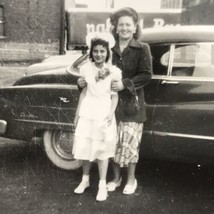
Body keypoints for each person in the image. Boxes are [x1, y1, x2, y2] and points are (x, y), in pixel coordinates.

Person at [106, 7, 152, 194]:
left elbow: (146, 75)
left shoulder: (142, 48)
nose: (124, 28)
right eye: (121, 24)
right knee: (113, 142)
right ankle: (116, 178)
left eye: (128, 25)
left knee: (130, 144)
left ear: (135, 28)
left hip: (133, 105)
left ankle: (131, 180)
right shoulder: (110, 50)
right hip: (111, 105)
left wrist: (125, 84)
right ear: (115, 28)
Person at [73, 32, 122, 201]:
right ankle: (85, 180)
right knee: (85, 146)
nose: (99, 54)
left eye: (102, 51)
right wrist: (78, 114)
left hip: (103, 111)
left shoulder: (114, 72)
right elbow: (84, 93)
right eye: (95, 51)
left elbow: (115, 96)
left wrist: (110, 114)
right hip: (88, 110)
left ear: (107, 52)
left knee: (102, 149)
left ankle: (102, 185)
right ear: (91, 52)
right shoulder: (86, 69)